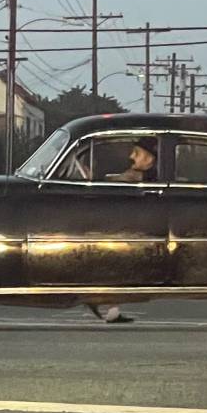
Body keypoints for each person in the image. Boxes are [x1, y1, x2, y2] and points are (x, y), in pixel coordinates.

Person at [88, 136, 158, 324]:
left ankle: (107, 303)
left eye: (137, 153)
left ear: (149, 159)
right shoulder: (142, 177)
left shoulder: (139, 178)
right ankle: (112, 307)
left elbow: (115, 181)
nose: (131, 156)